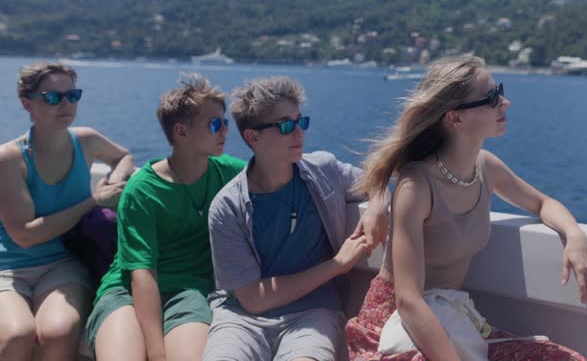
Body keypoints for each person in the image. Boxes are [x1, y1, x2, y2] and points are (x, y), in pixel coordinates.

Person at [346, 55, 587, 361]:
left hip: (453, 319)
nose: (504, 103)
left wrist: (575, 235)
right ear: (455, 118)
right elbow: (409, 301)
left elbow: (543, 203)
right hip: (397, 326)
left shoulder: (486, 168)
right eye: (491, 97)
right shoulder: (417, 186)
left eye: (499, 91)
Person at [202, 76, 389, 361]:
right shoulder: (227, 207)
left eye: (300, 122)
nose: (299, 133)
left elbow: (376, 178)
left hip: (314, 312)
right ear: (253, 137)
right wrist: (336, 265)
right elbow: (252, 299)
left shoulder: (325, 171)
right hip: (241, 319)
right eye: (286, 126)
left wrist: (377, 206)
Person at [86, 73, 246, 361]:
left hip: (190, 293)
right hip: (127, 292)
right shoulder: (143, 191)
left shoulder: (229, 172)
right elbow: (142, 274)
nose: (225, 131)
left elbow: (277, 170)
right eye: (215, 124)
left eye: (225, 123)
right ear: (182, 132)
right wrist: (156, 351)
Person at [0, 62, 134, 360]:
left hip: (62, 262)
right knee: (17, 333)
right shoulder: (10, 159)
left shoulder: (85, 140)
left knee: (58, 331)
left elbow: (123, 156)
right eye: (52, 97)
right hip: (8, 268)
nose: (65, 104)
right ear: (27, 104)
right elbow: (25, 235)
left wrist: (116, 180)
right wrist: (94, 200)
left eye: (73, 95)